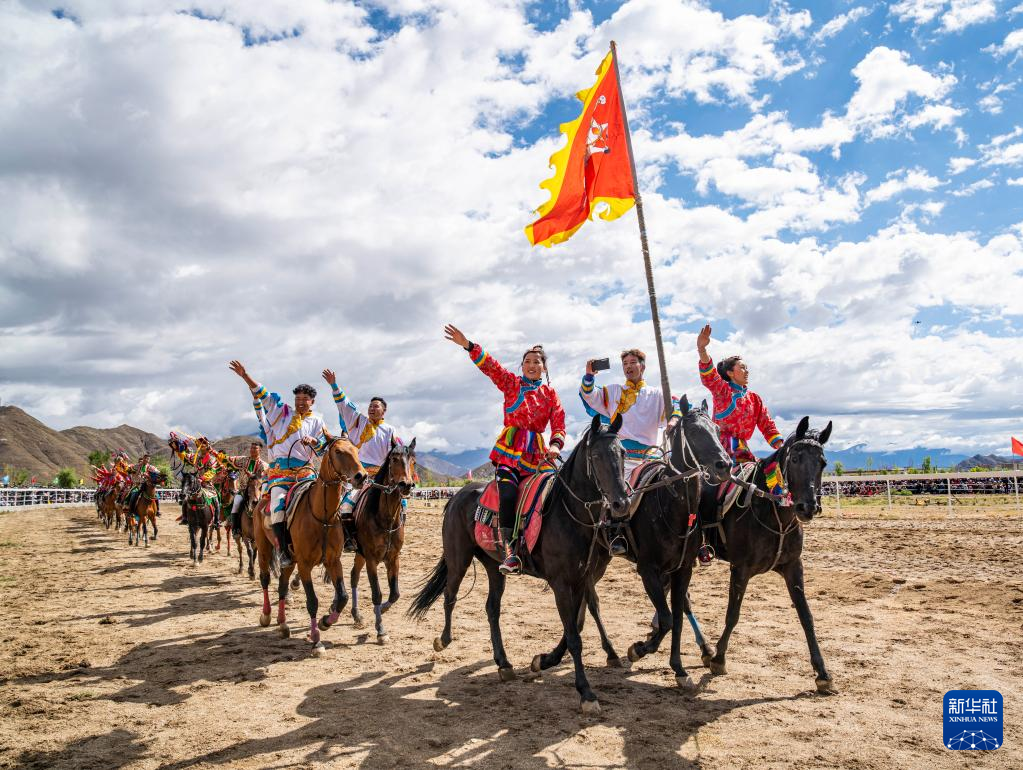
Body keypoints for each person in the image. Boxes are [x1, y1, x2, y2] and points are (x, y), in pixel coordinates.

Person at [444, 324, 565, 575]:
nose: (532, 365)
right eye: (527, 361)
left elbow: (559, 424)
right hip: (509, 453)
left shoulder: (551, 395)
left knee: (554, 493)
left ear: (544, 368)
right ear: (522, 366)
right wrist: (468, 345)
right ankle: (510, 551)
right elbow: (491, 367)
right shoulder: (511, 384)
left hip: (538, 455)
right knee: (508, 494)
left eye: (537, 361)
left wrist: (555, 445)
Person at [579, 348, 679, 555]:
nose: (628, 367)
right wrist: (589, 375)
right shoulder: (613, 391)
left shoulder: (657, 393)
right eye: (625, 364)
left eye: (633, 362)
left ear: (642, 366)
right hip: (622, 456)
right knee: (617, 492)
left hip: (652, 456)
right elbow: (589, 395)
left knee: (676, 488)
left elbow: (676, 405)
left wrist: (674, 419)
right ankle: (616, 534)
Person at [228, 360, 326, 569]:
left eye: (305, 399)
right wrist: (246, 377)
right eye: (297, 398)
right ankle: (282, 550)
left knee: (327, 501)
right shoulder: (282, 413)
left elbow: (323, 448)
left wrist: (314, 441)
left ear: (312, 402)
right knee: (278, 507)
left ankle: (333, 544)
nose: (300, 402)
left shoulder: (318, 421)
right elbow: (264, 395)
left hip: (307, 473)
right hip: (281, 475)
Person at [696, 323, 783, 466]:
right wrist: (702, 349)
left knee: (770, 474)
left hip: (743, 450)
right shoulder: (723, 390)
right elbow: (710, 375)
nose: (747, 371)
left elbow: (767, 425)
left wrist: (782, 448)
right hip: (719, 450)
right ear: (730, 373)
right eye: (742, 368)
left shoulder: (755, 399)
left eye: (747, 368)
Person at [168, 433, 220, 524]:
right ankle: (185, 517)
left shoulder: (212, 459)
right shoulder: (196, 458)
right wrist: (177, 447)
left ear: (207, 447)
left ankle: (216, 521)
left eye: (203, 445)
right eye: (199, 445)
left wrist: (202, 478)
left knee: (216, 500)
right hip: (194, 484)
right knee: (185, 498)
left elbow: (212, 471)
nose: (201, 447)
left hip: (207, 485)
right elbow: (184, 456)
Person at [219, 442, 268, 533]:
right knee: (236, 503)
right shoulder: (243, 460)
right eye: (251, 448)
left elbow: (264, 478)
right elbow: (228, 459)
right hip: (243, 490)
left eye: (255, 448)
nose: (252, 450)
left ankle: (267, 528)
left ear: (260, 450)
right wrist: (212, 452)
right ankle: (236, 528)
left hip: (258, 491)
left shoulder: (264, 465)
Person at [124, 453, 160, 517]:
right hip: (138, 484)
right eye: (145, 458)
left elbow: (157, 472)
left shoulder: (151, 467)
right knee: (134, 494)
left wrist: (156, 474)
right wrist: (130, 470)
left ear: (149, 460)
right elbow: (129, 469)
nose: (146, 460)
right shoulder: (137, 466)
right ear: (143, 458)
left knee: (156, 495)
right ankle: (131, 511)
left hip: (147, 485)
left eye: (147, 459)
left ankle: (157, 511)